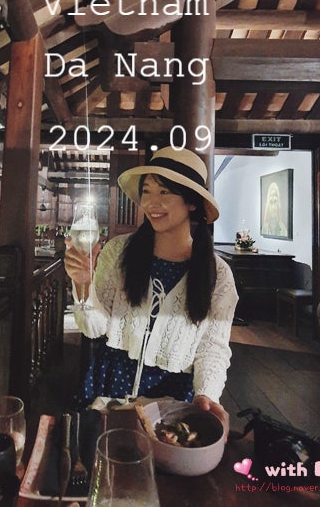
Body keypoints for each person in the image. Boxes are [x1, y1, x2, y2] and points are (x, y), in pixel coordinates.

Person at [65, 147, 238, 439]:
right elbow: (94, 328)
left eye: (164, 192)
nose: (151, 203)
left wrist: (207, 395)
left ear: (191, 202)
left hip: (172, 397)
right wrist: (83, 282)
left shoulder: (218, 274)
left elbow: (213, 347)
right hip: (111, 386)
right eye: (146, 191)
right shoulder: (119, 252)